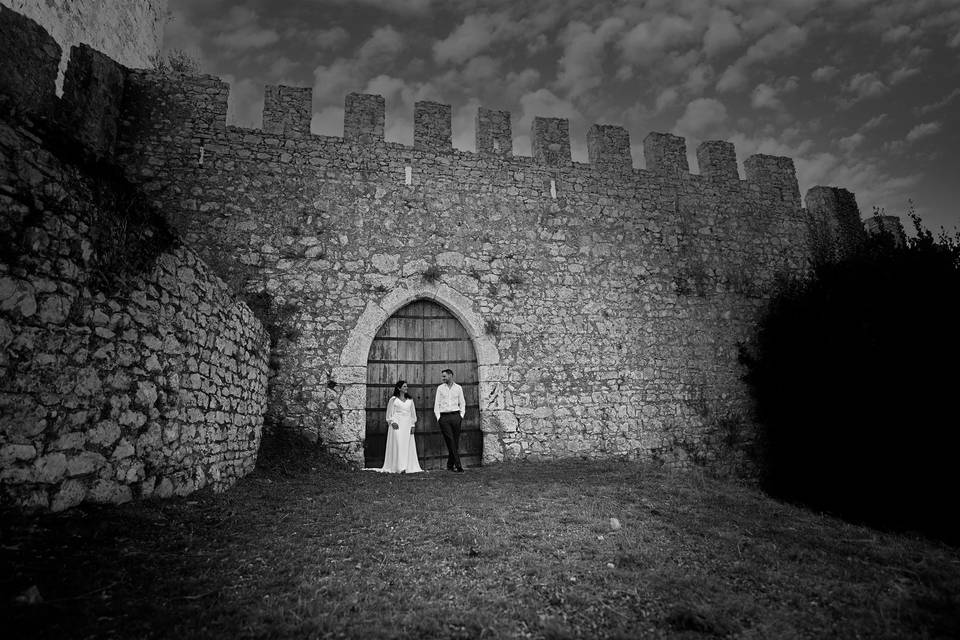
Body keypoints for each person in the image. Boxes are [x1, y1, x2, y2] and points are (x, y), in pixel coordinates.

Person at [375, 380, 422, 474]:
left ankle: (407, 466)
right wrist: (392, 422)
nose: (406, 388)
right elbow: (389, 413)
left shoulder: (410, 400)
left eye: (406, 386)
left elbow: (413, 414)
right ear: (399, 388)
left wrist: (413, 425)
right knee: (398, 443)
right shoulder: (393, 400)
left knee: (406, 444)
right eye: (404, 386)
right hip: (397, 424)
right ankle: (399, 466)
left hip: (407, 424)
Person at [434, 368, 465, 472]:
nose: (442, 378)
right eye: (442, 376)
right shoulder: (440, 388)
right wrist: (439, 418)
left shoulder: (458, 388)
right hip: (444, 418)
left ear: (450, 375)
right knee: (451, 440)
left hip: (456, 416)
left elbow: (462, 402)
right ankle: (458, 465)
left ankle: (450, 465)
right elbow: (436, 404)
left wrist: (461, 415)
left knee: (454, 442)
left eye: (444, 376)